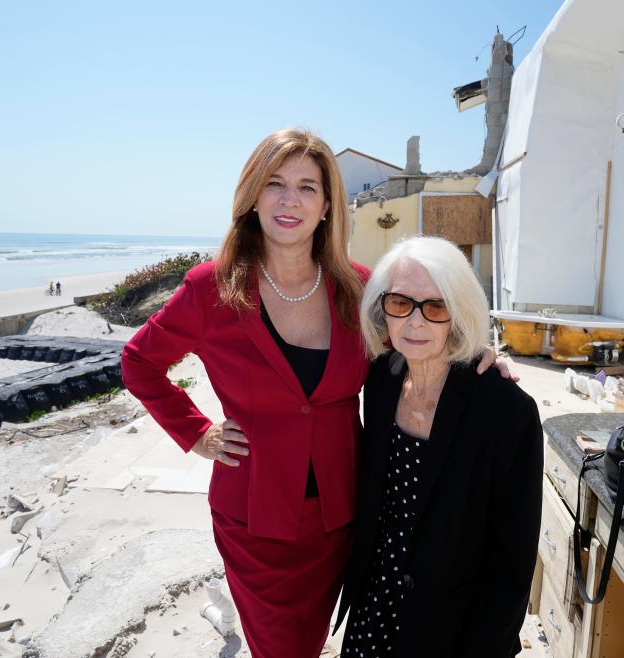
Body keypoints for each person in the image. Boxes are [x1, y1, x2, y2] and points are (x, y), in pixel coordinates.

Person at [121, 129, 510, 658]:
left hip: (344, 520)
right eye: (275, 184)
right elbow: (139, 362)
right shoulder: (210, 289)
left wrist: (480, 358)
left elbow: (419, 341)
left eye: (307, 187)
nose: (289, 199)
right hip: (254, 522)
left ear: (327, 205)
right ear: (252, 196)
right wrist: (197, 433)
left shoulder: (360, 288)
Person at [336, 236, 543, 658]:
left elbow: (513, 563)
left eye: (436, 306)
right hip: (373, 611)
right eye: (400, 303)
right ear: (383, 310)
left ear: (459, 311)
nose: (415, 322)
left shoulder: (507, 411)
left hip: (451, 629)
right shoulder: (381, 379)